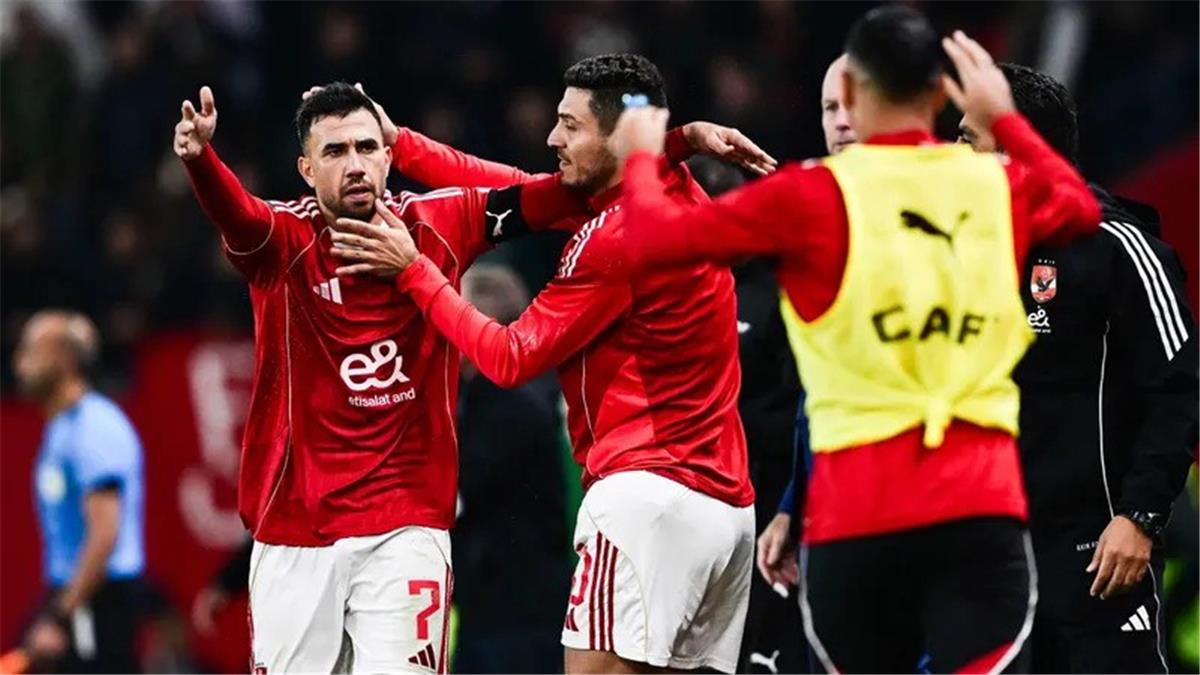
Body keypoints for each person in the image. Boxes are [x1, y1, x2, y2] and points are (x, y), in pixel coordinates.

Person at [176, 78, 762, 674]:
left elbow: (560, 193)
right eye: (335, 152)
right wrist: (201, 162)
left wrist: (676, 142)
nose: (355, 165)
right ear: (306, 169)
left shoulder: (439, 221)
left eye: (367, 147)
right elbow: (237, 216)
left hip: (406, 525)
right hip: (295, 529)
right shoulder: (284, 240)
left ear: (388, 155)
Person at [608, 7, 1104, 672]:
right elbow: (1080, 206)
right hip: (977, 507)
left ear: (847, 91)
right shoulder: (994, 184)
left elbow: (650, 239)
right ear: (941, 92)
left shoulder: (809, 196)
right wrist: (1003, 118)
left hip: (857, 515)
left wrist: (645, 156)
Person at [959, 62, 1199, 674]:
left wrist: (1141, 517)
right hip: (997, 559)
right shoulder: (969, 255)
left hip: (1097, 556)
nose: (953, 158)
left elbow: (1179, 387)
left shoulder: (1117, 246)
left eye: (968, 140)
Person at [756, 52, 857, 599]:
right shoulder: (816, 225)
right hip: (829, 512)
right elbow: (818, 390)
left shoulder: (938, 217)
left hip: (911, 512)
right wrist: (794, 504)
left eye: (852, 106)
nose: (840, 121)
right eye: (829, 107)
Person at [450, 264, 571, 674]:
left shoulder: (513, 404)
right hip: (496, 607)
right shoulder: (492, 394)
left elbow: (461, 490)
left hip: (516, 615)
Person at [15, 310, 146, 673]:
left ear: (64, 360)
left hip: (98, 601)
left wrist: (61, 616)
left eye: (31, 352)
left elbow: (104, 535)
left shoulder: (94, 428)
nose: (19, 364)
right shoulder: (61, 427)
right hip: (75, 595)